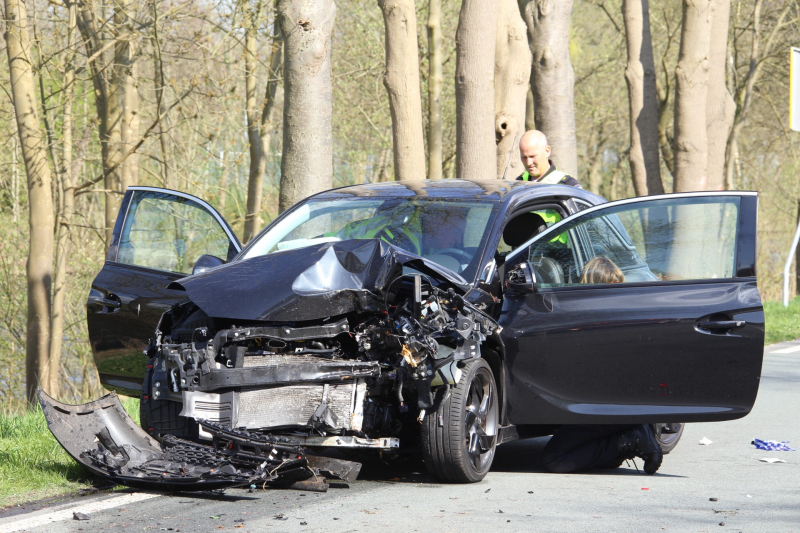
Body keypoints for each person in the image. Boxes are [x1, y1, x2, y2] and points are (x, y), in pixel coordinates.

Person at [540, 255, 663, 475]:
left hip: (601, 404)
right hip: (620, 403)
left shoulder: (584, 319)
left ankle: (631, 438)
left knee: (555, 460)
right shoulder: (632, 317)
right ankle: (630, 436)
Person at [516, 130, 582, 189]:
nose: (528, 162)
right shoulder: (519, 182)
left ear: (547, 151)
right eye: (524, 157)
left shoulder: (567, 186)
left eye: (532, 156)